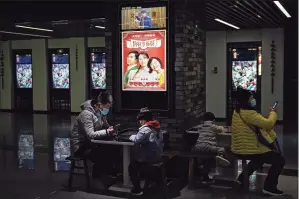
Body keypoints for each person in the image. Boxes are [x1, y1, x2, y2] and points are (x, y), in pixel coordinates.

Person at [231, 88, 284, 196]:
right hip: (248, 149)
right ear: (246, 100)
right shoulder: (249, 113)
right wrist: (273, 113)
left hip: (238, 148)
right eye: (251, 97)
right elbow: (269, 124)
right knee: (279, 160)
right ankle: (270, 187)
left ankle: (241, 179)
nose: (253, 99)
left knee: (259, 158)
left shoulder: (237, 111)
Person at [70, 91, 116, 189]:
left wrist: (109, 127)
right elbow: (90, 134)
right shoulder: (86, 114)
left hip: (90, 143)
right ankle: (102, 178)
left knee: (112, 148)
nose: (108, 109)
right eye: (107, 107)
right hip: (80, 146)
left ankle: (104, 174)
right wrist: (107, 132)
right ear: (99, 104)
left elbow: (103, 125)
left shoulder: (99, 111)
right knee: (103, 153)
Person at [128, 108, 163, 195]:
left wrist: (130, 136)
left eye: (140, 119)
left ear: (143, 120)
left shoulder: (145, 129)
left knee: (132, 166)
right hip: (158, 155)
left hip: (149, 158)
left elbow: (136, 139)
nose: (139, 121)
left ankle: (137, 189)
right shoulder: (157, 126)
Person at [192, 112, 231, 185]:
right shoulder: (214, 127)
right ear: (213, 120)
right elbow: (223, 129)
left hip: (197, 147)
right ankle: (220, 156)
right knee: (222, 149)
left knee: (207, 158)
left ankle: (204, 176)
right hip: (208, 147)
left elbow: (196, 129)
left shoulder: (200, 126)